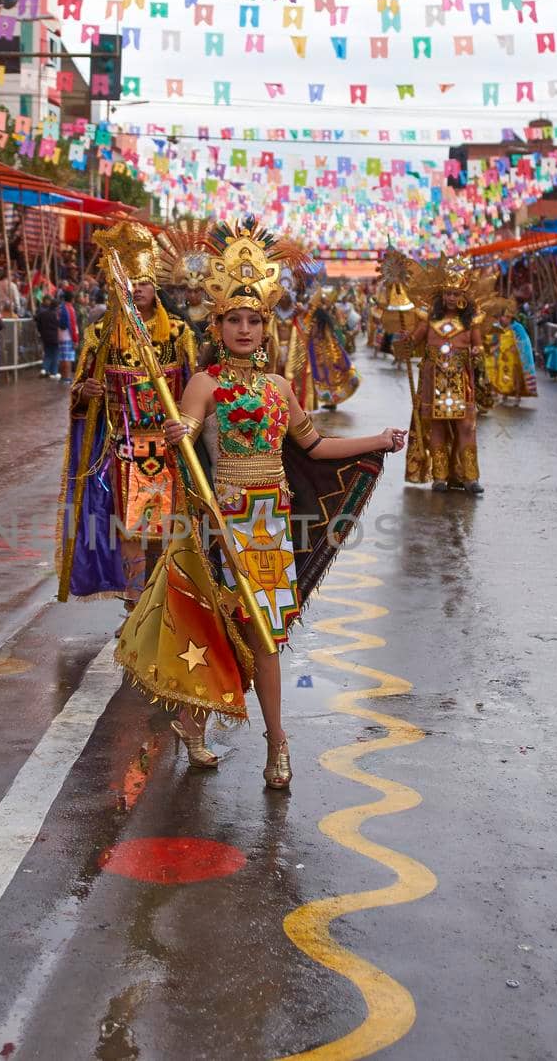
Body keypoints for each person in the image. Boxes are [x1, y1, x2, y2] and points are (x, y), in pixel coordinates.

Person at [117, 218, 404, 785]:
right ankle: (195, 727)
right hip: (219, 526)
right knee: (215, 630)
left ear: (265, 325)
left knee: (267, 638)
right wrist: (179, 434)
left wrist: (378, 440)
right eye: (233, 320)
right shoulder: (203, 381)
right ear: (216, 323)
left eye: (253, 319)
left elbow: (315, 445)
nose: (244, 329)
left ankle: (278, 742)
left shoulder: (277, 387)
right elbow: (189, 432)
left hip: (269, 531)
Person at [58, 221, 197, 605]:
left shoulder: (178, 333)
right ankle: (137, 605)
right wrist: (86, 393)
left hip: (169, 448)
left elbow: (194, 389)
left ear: (156, 287)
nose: (138, 290)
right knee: (131, 529)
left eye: (144, 282)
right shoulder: (101, 334)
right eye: (130, 282)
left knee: (169, 527)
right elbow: (78, 397)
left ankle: (164, 603)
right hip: (122, 449)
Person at [396, 255, 486, 493]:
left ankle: (469, 477)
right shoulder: (429, 319)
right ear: (442, 295)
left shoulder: (471, 322)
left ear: (464, 297)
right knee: (436, 427)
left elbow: (478, 346)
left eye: (456, 294)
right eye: (448, 293)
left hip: (461, 380)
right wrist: (405, 339)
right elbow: (413, 342)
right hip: (433, 380)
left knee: (466, 426)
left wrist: (477, 353)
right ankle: (440, 476)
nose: (451, 298)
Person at [34, 295, 62, 379]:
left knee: (47, 354)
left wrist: (41, 332)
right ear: (56, 307)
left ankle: (44, 369)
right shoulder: (56, 315)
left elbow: (37, 322)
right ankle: (54, 372)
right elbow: (59, 325)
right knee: (55, 354)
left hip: (45, 337)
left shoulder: (43, 314)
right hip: (54, 337)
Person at [55, 290, 79, 380]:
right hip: (68, 336)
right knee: (67, 358)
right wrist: (75, 339)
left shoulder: (60, 307)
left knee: (62, 357)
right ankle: (67, 377)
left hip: (60, 335)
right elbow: (72, 325)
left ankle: (63, 376)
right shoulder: (70, 308)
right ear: (72, 299)